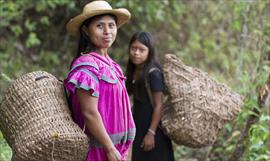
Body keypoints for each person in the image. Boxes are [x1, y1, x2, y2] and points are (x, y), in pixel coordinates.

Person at [64, 1, 135, 161]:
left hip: (119, 150)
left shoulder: (113, 66)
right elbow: (89, 113)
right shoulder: (87, 66)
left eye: (111, 25)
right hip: (99, 151)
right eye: (100, 26)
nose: (107, 31)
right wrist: (109, 148)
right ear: (86, 31)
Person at [126, 31, 175, 161]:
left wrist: (151, 133)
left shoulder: (154, 73)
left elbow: (159, 105)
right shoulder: (134, 70)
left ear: (150, 52)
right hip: (138, 128)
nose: (136, 53)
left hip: (153, 131)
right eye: (133, 48)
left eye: (141, 50)